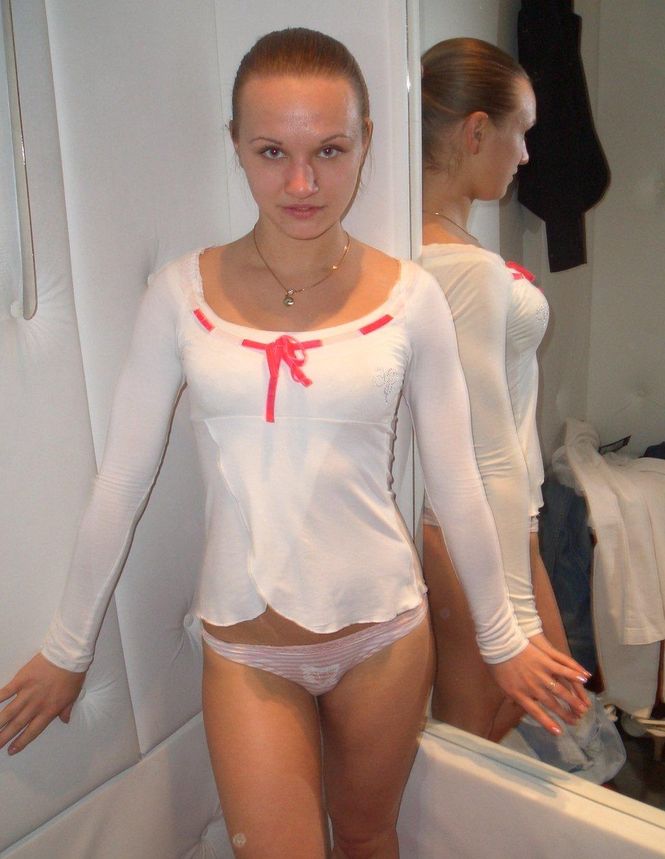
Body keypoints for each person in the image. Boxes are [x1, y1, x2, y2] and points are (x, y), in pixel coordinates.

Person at [0, 29, 590, 859]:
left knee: (367, 836)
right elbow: (122, 479)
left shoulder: (411, 296)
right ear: (236, 145)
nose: (303, 183)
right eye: (272, 151)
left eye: (330, 150)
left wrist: (503, 639)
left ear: (366, 143)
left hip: (383, 636)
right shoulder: (179, 294)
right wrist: (67, 649)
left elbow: (457, 480)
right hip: (248, 650)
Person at [420, 37, 590, 743]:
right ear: (476, 131)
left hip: (503, 513)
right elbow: (485, 444)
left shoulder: (441, 247)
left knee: (527, 704)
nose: (524, 156)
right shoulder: (459, 265)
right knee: (476, 724)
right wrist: (514, 621)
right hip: (476, 521)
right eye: (521, 133)